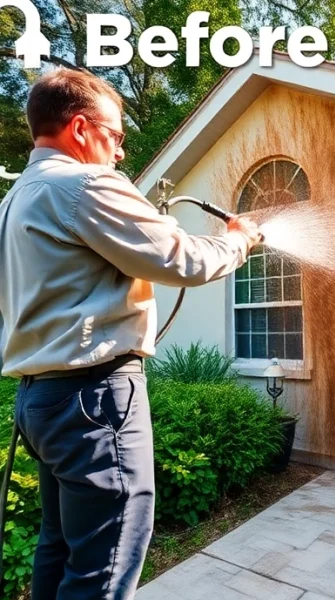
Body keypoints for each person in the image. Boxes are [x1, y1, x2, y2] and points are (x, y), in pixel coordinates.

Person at [0, 70, 263, 599]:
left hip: (40, 400)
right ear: (80, 128)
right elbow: (183, 259)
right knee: (104, 566)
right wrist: (238, 239)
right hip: (94, 399)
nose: (120, 152)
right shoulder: (83, 185)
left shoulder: (13, 200)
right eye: (116, 135)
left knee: (60, 547)